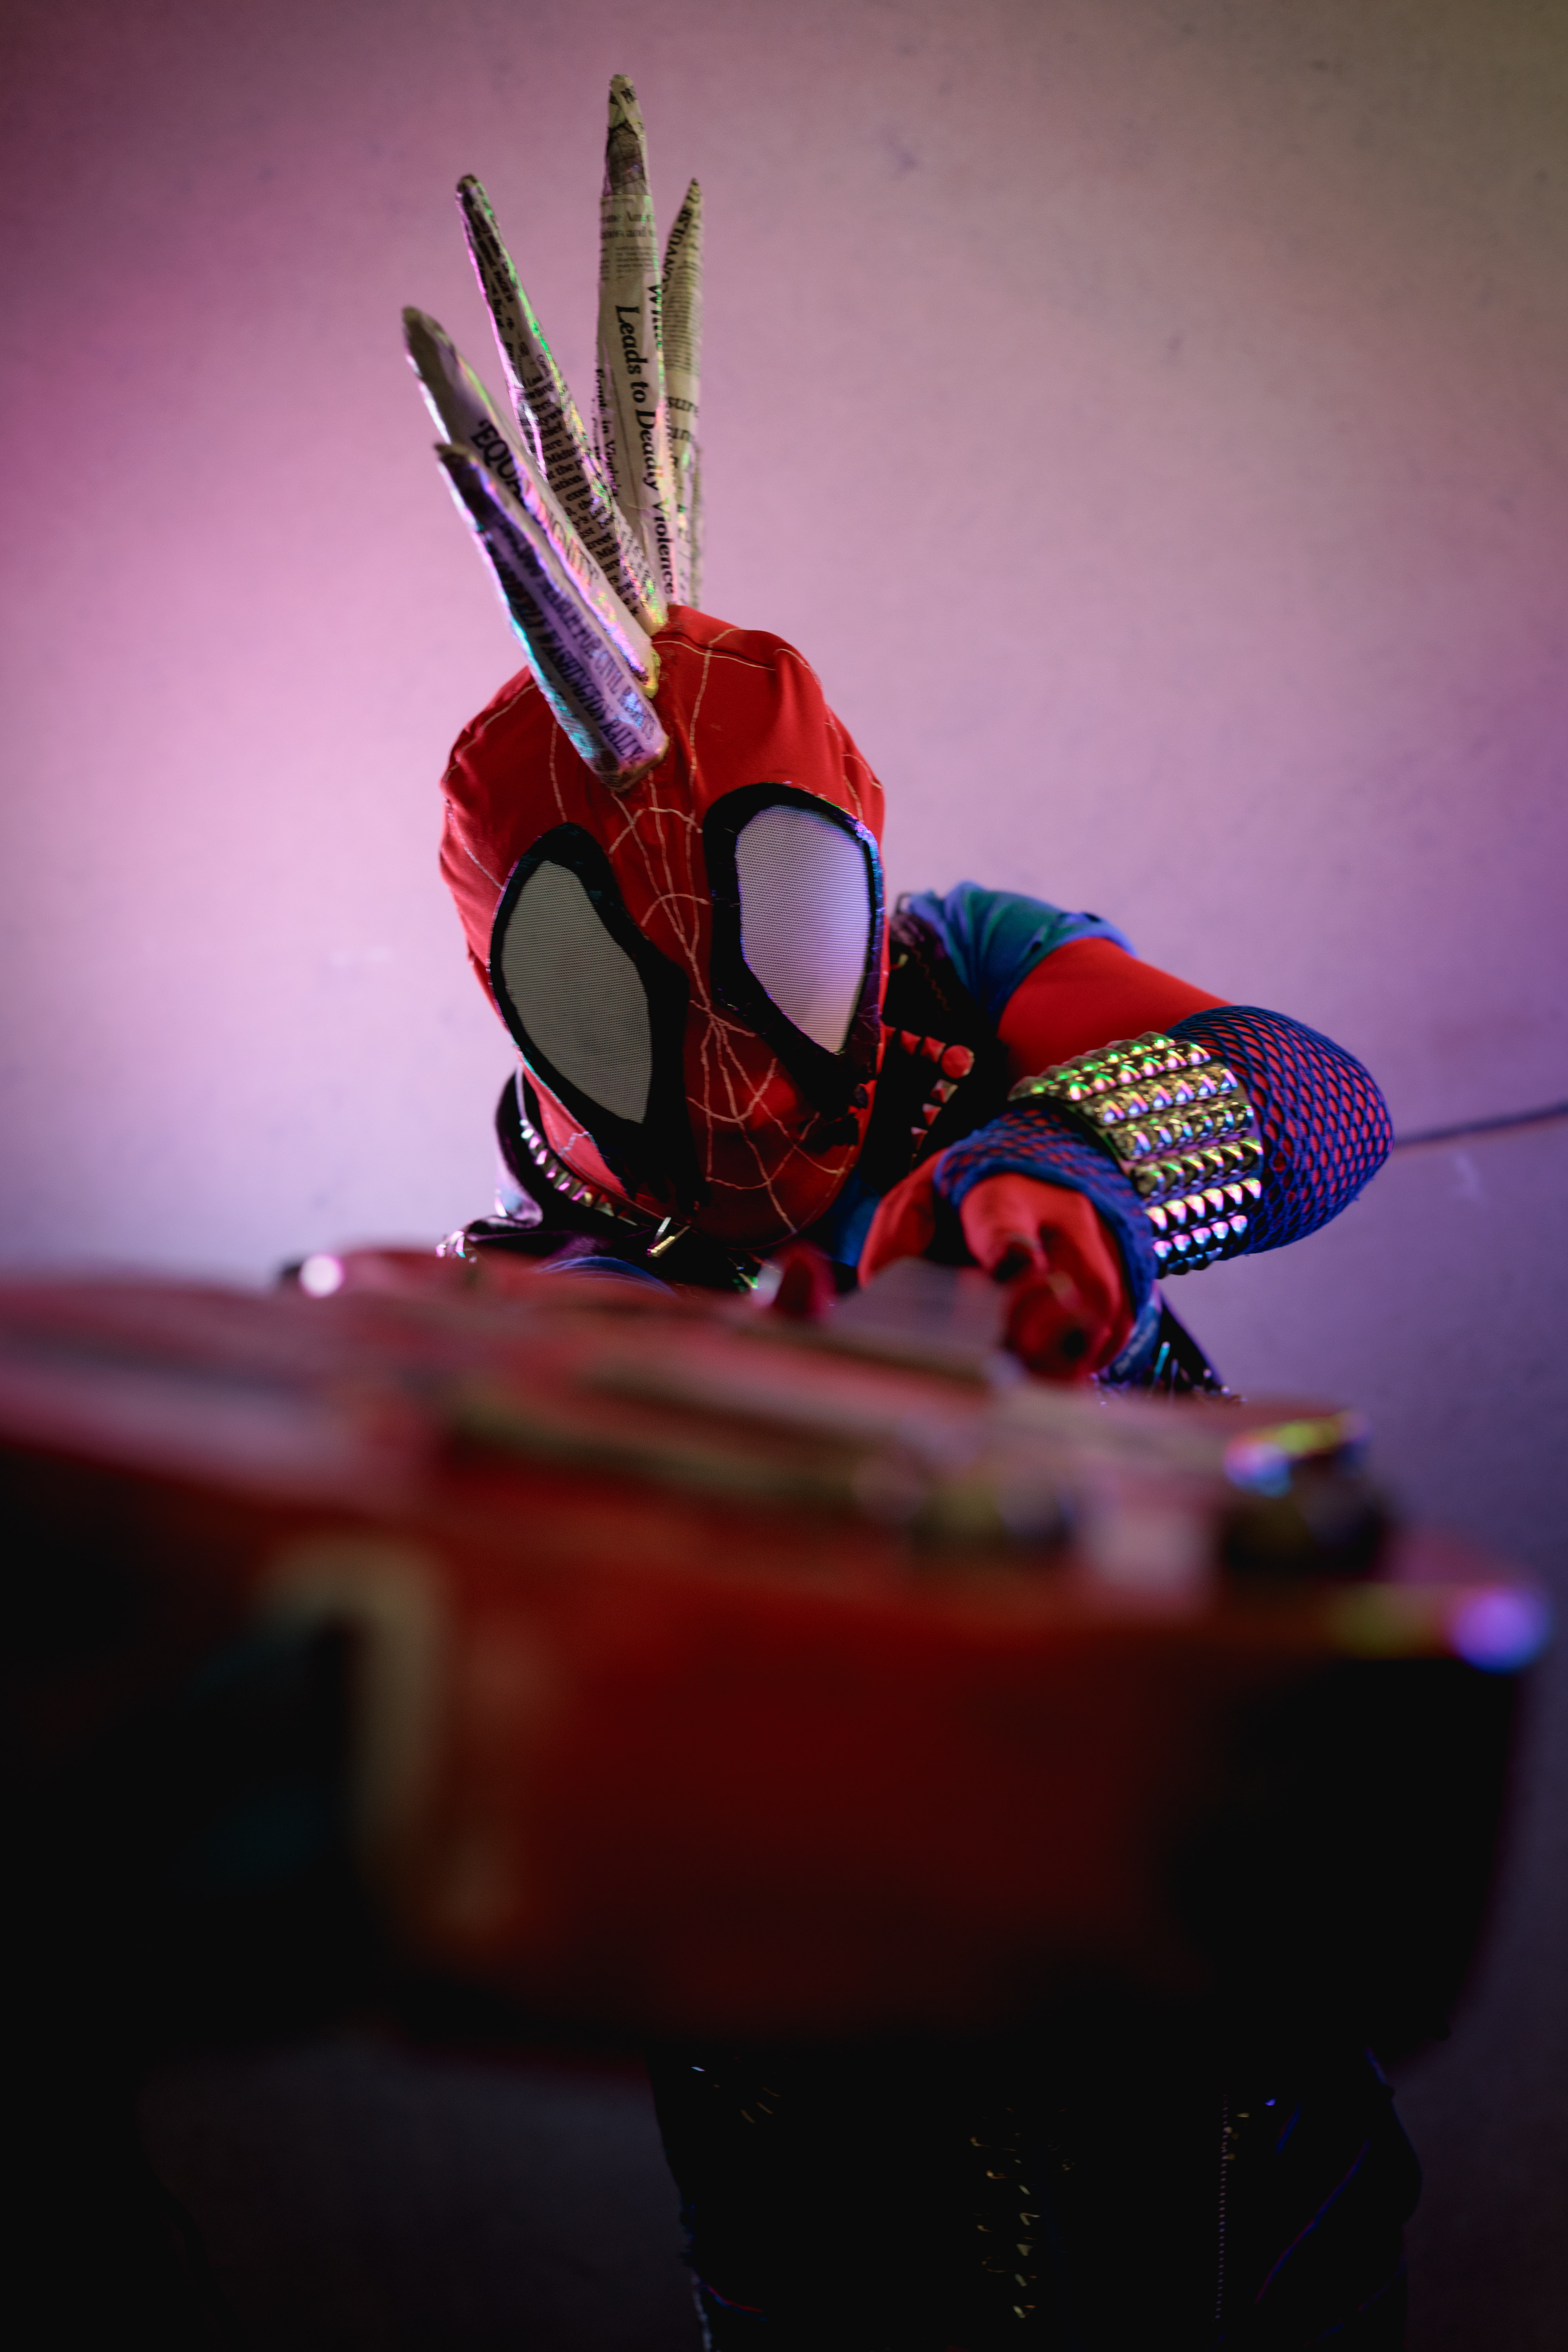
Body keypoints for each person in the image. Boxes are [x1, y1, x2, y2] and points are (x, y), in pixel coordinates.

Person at [412, 83, 1416, 2347]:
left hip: (1219, 2035)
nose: (750, 1084)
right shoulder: (531, 1290)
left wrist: (1053, 1172)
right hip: (834, 2130)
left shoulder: (963, 962)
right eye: (625, 998)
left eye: (774, 930)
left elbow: (1314, 1096)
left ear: (850, 858)